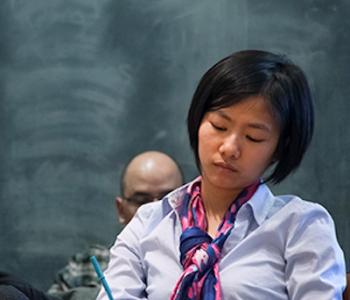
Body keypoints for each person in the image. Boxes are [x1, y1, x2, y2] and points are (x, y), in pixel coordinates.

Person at [97, 50, 346, 300]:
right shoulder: (150, 221)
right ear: (198, 122)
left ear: (278, 150)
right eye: (219, 126)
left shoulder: (300, 226)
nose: (229, 148)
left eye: (253, 137)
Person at [0, 151, 183, 300]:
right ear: (120, 209)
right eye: (141, 201)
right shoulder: (85, 265)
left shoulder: (199, 262)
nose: (153, 212)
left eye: (166, 200)